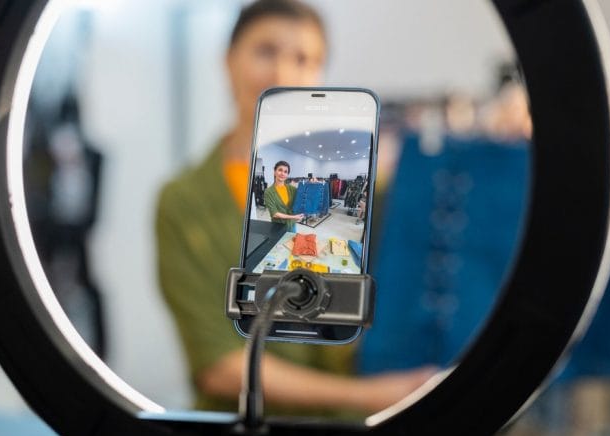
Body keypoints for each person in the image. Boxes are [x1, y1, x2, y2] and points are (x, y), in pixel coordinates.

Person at [156, 0, 434, 415]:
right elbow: (217, 365)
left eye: (304, 59)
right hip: (246, 420)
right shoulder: (183, 201)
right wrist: (371, 397)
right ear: (229, 61)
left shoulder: (369, 187)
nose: (283, 74)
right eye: (265, 51)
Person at [263, 160, 304, 231]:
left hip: (291, 225)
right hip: (278, 226)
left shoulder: (292, 189)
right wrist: (293, 217)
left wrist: (312, 185)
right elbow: (274, 214)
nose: (282, 173)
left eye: (285, 172)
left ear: (287, 175)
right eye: (280, 170)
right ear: (274, 172)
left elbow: (303, 198)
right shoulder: (268, 192)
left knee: (292, 238)